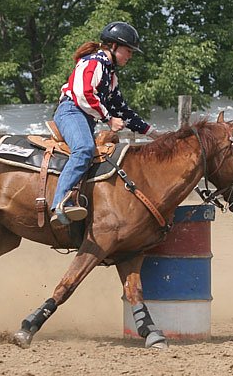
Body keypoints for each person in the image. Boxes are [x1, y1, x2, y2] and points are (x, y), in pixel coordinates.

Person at [49, 21, 159, 228]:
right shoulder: (94, 62)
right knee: (83, 150)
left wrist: (154, 134)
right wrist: (108, 118)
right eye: (129, 50)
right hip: (71, 111)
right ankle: (60, 204)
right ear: (114, 46)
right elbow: (83, 94)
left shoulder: (110, 75)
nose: (130, 56)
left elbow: (123, 110)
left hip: (84, 116)